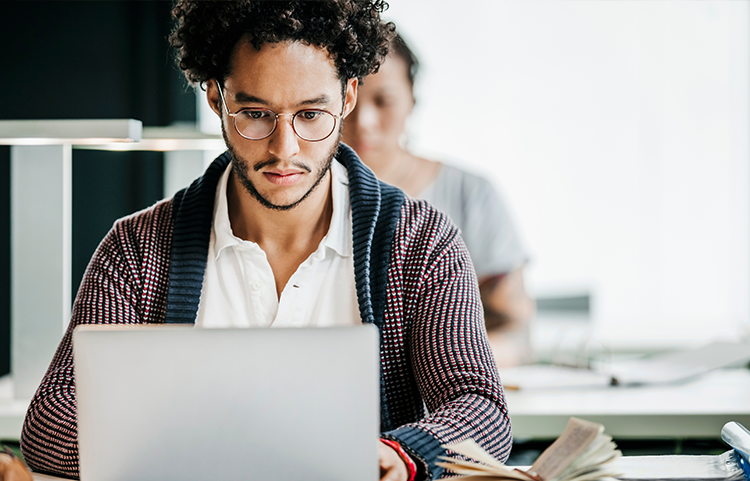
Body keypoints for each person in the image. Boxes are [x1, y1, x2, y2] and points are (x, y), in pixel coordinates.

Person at [20, 2, 511, 480]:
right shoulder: (137, 248)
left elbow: (481, 409)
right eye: (255, 114)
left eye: (311, 115)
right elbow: (49, 421)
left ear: (348, 97)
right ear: (216, 97)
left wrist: (401, 454)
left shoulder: (420, 242)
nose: (284, 150)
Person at [342, 33, 535, 368]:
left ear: (412, 100)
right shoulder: (294, 195)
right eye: (350, 102)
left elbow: (518, 331)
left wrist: (444, 370)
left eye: (383, 101)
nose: (364, 122)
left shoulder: (470, 194)